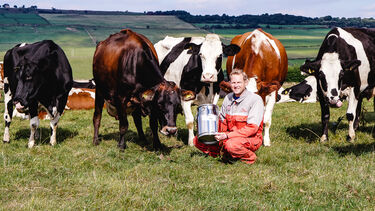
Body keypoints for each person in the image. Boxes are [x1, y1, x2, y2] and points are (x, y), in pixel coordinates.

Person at [194, 69, 264, 164]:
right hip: (230, 135)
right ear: (230, 83)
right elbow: (222, 122)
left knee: (232, 145)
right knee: (198, 140)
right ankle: (224, 154)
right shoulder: (228, 98)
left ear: (246, 82)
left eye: (239, 82)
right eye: (233, 82)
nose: (236, 85)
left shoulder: (255, 100)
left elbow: (252, 129)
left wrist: (227, 135)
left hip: (250, 138)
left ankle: (249, 158)